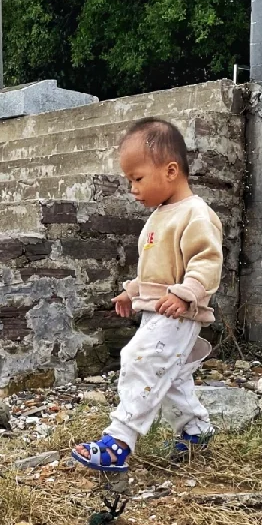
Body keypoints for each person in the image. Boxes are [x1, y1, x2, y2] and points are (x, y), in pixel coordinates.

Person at [72, 117, 223, 472]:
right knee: (171, 377)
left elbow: (207, 260)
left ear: (170, 171)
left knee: (139, 360)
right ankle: (196, 431)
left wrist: (187, 294)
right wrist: (132, 292)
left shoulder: (196, 214)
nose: (133, 189)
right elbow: (156, 271)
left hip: (179, 313)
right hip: (160, 309)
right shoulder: (159, 215)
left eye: (137, 179)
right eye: (129, 181)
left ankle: (119, 440)